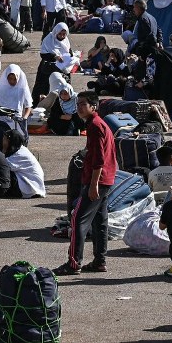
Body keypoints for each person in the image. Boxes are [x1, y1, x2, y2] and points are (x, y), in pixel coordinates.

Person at [56, 91, 116, 276]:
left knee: (77, 219)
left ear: (93, 107)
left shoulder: (96, 126)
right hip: (105, 179)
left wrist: (93, 185)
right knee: (99, 221)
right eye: (78, 104)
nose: (79, 107)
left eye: (83, 104)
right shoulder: (96, 124)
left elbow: (98, 160)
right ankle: (100, 261)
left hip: (98, 180)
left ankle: (74, 263)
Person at [0, 129, 46, 198]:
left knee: (3, 171)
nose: (3, 142)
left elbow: (3, 166)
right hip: (27, 182)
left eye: (4, 139)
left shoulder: (20, 154)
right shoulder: (19, 149)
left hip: (31, 188)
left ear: (10, 141)